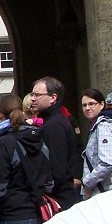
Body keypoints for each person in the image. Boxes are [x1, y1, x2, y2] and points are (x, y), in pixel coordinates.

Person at [0, 94, 51, 224]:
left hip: (11, 215)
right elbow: (49, 182)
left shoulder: (3, 143)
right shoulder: (38, 138)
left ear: (0, 114)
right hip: (37, 212)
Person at [30, 76, 82, 210]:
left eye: (38, 95)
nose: (33, 98)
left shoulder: (54, 125)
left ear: (53, 98)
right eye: (32, 94)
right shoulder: (50, 121)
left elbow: (56, 167)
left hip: (58, 198)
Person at [79, 88, 112, 198]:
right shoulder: (98, 125)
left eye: (91, 104)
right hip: (106, 189)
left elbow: (109, 163)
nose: (87, 108)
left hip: (105, 192)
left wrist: (86, 182)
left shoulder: (103, 127)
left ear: (102, 104)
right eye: (84, 105)